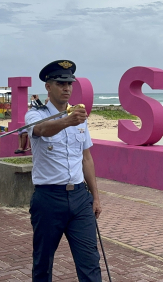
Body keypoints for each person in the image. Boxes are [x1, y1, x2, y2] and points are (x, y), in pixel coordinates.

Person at [25, 60, 102, 281]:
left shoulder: (79, 117)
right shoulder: (36, 114)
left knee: (90, 261)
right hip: (49, 198)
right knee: (43, 262)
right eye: (61, 83)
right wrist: (67, 121)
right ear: (48, 87)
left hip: (79, 197)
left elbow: (86, 158)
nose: (67, 88)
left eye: (69, 83)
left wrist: (95, 197)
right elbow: (40, 130)